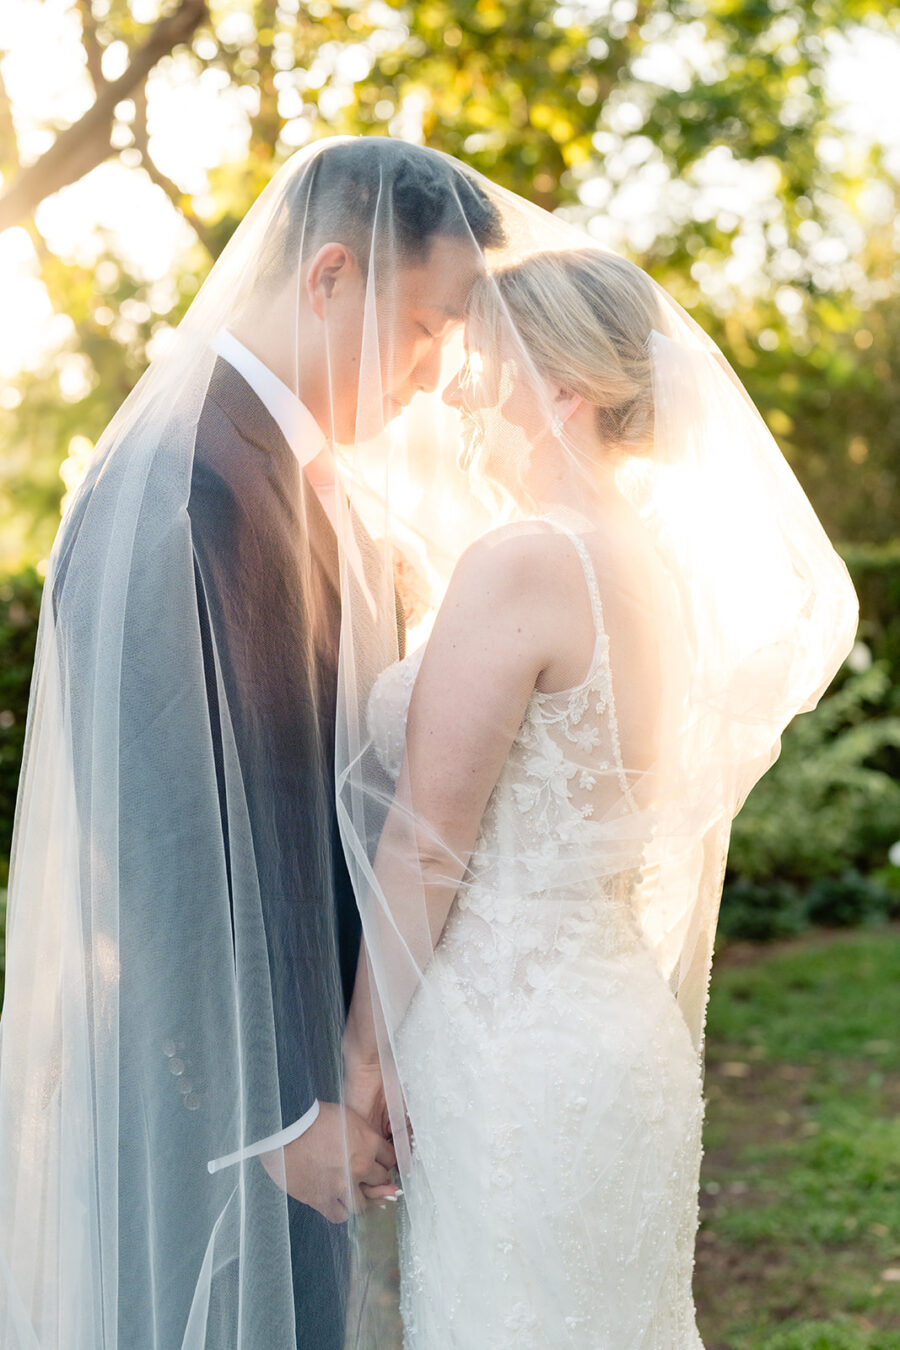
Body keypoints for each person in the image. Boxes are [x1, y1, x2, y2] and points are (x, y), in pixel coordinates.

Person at [0, 138, 503, 1349]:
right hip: (217, 1115)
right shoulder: (183, 483)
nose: (439, 376)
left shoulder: (291, 471)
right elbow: (159, 828)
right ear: (330, 276)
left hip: (292, 1083)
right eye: (429, 325)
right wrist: (276, 1111)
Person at [337, 241, 859, 1345]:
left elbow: (431, 844)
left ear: (564, 391)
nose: (460, 389)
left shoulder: (525, 560)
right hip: (613, 1029)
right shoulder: (648, 563)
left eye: (486, 362)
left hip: (512, 1045)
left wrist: (362, 1060)